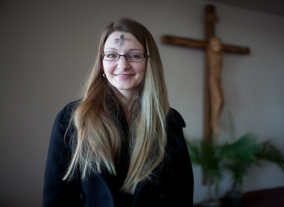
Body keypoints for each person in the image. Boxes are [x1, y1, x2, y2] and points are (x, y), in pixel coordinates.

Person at [43, 18, 194, 207]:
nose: (122, 65)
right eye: (112, 55)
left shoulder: (169, 121)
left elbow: (181, 197)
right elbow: (57, 198)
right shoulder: (72, 119)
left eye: (134, 56)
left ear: (149, 61)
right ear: (102, 62)